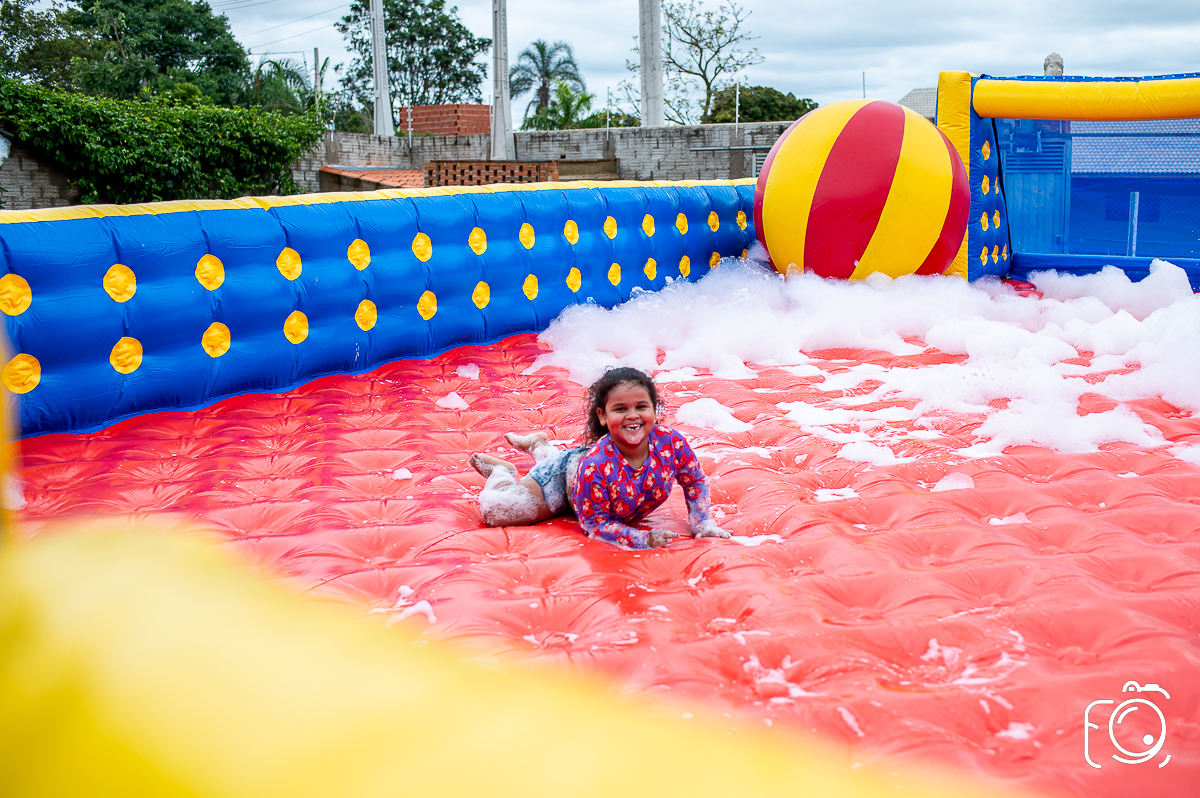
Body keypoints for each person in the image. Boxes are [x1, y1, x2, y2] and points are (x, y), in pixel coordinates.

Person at [468, 367, 731, 549]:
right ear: (603, 417)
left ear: (654, 410)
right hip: (562, 480)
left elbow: (694, 480)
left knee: (573, 460)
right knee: (498, 512)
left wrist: (703, 522)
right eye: (620, 409)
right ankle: (501, 472)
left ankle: (538, 444)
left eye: (642, 406)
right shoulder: (597, 465)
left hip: (582, 476)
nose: (632, 415)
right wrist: (642, 540)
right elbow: (596, 524)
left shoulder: (671, 443)